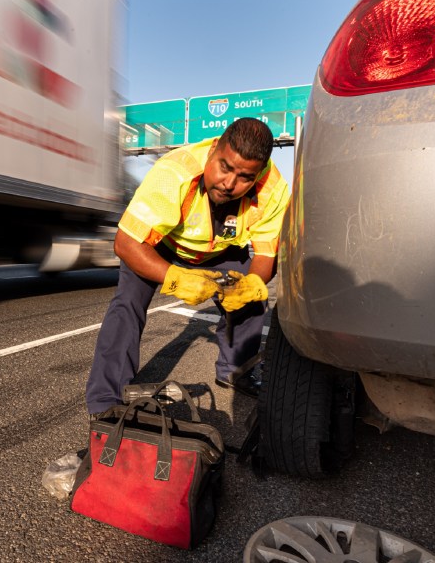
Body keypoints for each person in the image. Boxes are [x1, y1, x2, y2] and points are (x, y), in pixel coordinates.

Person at [85, 117, 291, 416]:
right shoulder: (174, 171)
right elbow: (126, 244)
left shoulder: (274, 188)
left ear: (258, 175)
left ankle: (236, 369)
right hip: (159, 246)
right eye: (225, 167)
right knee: (127, 305)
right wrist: (176, 278)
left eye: (245, 177)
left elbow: (265, 255)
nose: (230, 184)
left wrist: (251, 286)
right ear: (212, 152)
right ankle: (107, 399)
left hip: (219, 250)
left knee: (251, 297)